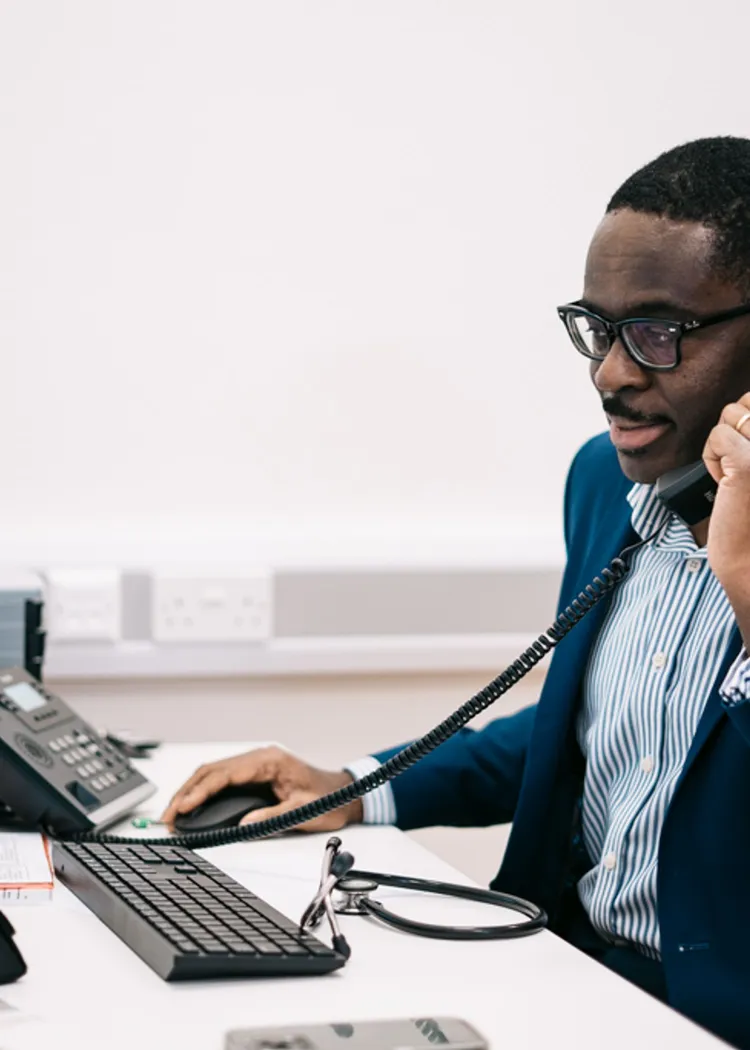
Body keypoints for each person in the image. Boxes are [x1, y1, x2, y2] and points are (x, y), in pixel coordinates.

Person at [162, 136, 750, 1050]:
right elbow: (591, 735)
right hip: (562, 969)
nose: (611, 375)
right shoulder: (609, 482)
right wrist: (355, 788)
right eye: (598, 328)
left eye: (659, 333)